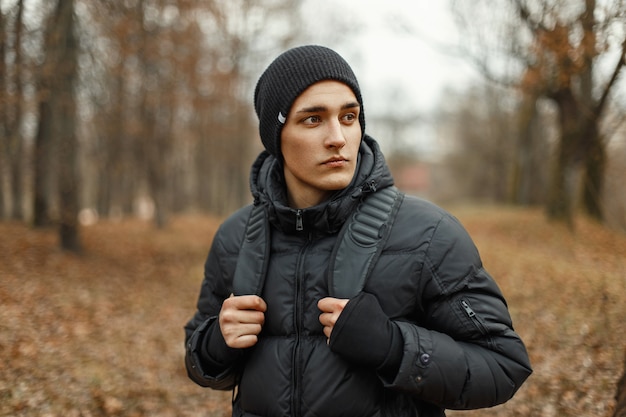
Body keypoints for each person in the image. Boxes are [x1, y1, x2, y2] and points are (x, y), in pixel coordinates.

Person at [184, 45, 532, 417]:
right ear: (276, 135)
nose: (338, 137)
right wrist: (215, 345)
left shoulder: (429, 235)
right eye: (313, 120)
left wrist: (394, 347)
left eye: (348, 117)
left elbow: (503, 365)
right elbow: (199, 359)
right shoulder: (235, 237)